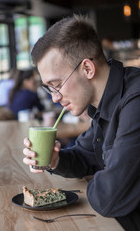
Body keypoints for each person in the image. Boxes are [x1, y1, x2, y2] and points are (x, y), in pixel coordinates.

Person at [22, 14, 140, 231]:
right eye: (49, 88)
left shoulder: (135, 102)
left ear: (87, 68)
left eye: (56, 84)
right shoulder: (101, 102)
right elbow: (85, 156)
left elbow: (109, 198)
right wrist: (55, 160)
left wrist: (99, 178)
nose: (54, 98)